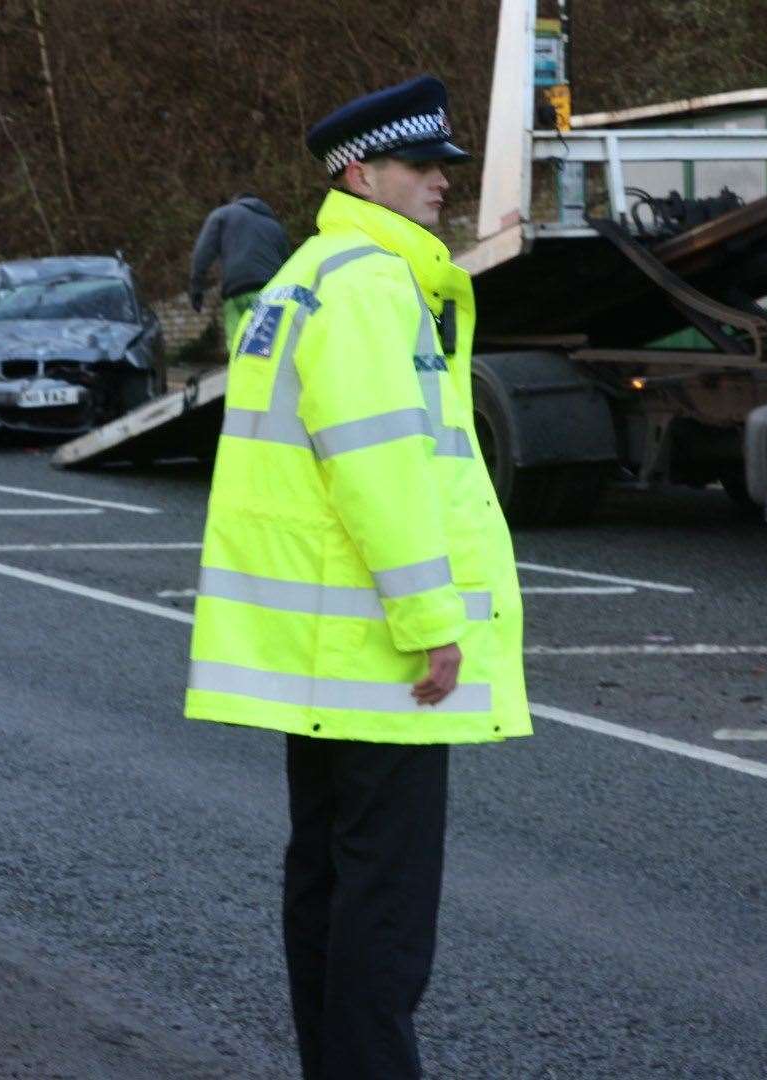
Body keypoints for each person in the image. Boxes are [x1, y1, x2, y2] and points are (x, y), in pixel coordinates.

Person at [183, 75, 531, 1079]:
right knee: (384, 911)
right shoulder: (374, 287)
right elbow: (381, 473)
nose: (440, 185)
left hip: (327, 657)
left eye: (443, 168)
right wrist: (433, 623)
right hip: (384, 660)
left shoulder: (312, 275)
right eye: (421, 167)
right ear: (361, 172)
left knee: (329, 884)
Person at [188, 192, 291, 347]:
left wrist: (196, 285)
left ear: (235, 201)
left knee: (238, 346)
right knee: (268, 347)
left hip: (236, 291)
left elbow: (203, 251)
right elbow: (289, 266)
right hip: (270, 293)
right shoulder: (275, 226)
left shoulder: (222, 215)